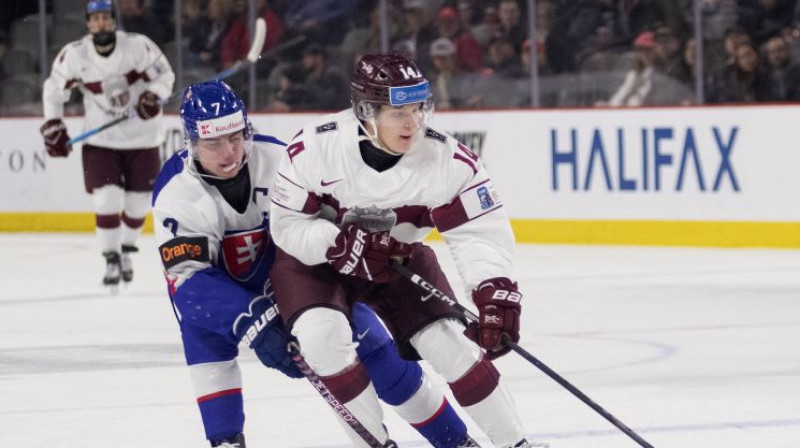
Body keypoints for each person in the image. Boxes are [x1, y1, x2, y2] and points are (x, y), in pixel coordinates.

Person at [151, 80, 479, 448]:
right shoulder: (176, 191)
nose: (229, 152)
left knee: (383, 358)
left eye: (236, 137)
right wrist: (256, 321)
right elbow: (189, 283)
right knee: (217, 399)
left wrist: (353, 236)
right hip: (217, 304)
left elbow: (327, 221)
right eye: (213, 143)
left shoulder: (278, 161)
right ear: (190, 142)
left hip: (299, 284)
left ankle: (457, 442)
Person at [269, 53, 546, 448]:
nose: (413, 122)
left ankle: (515, 443)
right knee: (320, 338)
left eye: (418, 108)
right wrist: (337, 244)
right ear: (366, 110)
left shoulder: (448, 160)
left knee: (451, 343)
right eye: (399, 111)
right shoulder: (314, 148)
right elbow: (287, 226)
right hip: (317, 265)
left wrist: (491, 286)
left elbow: (478, 232)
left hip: (397, 257)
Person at [40, 0, 174, 291]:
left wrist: (153, 95)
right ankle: (111, 258)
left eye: (105, 18)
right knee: (106, 199)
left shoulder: (138, 47)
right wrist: (54, 124)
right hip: (101, 140)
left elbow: (166, 76)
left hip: (144, 137)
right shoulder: (75, 56)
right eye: (95, 18)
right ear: (88, 23)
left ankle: (126, 250)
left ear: (114, 20)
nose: (100, 23)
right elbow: (53, 92)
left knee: (139, 204)